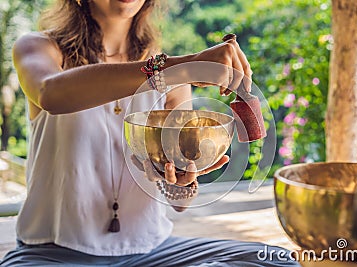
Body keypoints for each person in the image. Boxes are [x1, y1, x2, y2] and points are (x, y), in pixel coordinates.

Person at [0, 0, 299, 266]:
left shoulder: (176, 76)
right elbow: (50, 93)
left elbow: (179, 203)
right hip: (51, 253)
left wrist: (182, 180)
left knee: (276, 260)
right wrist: (179, 67)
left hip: (153, 250)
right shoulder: (39, 48)